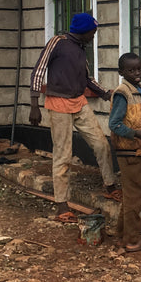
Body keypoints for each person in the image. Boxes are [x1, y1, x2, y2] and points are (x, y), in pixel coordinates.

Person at [29, 12, 117, 223]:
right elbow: (38, 71)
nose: (93, 37)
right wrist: (34, 105)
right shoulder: (57, 42)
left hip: (79, 102)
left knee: (101, 144)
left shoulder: (80, 49)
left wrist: (106, 93)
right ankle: (61, 206)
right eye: (92, 33)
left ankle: (111, 186)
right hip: (58, 103)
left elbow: (87, 79)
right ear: (83, 31)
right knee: (63, 156)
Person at [107, 53, 141, 253]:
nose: (137, 73)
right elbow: (114, 124)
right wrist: (136, 134)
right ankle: (133, 240)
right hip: (129, 152)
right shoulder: (122, 93)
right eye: (131, 70)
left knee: (131, 195)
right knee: (135, 196)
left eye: (139, 69)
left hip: (140, 149)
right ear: (121, 72)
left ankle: (122, 236)